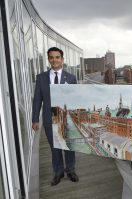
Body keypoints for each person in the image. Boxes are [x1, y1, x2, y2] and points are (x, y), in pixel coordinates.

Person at [32, 47, 79, 186]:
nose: (54, 60)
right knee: (55, 147)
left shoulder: (71, 78)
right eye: (51, 57)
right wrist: (35, 119)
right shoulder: (41, 78)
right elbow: (37, 100)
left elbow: (75, 99)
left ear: (62, 59)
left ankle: (70, 170)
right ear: (48, 60)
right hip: (49, 118)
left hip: (66, 118)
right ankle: (58, 172)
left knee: (68, 146)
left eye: (57, 57)